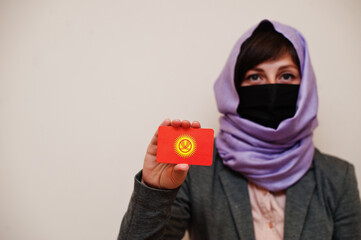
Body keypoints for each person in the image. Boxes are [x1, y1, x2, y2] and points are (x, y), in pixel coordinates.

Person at [118, 20, 361, 240]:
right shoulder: (196, 170)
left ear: (306, 87)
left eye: (286, 76)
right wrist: (155, 191)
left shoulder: (338, 178)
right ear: (234, 88)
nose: (272, 88)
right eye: (255, 77)